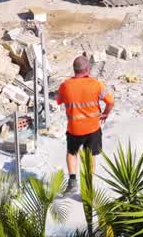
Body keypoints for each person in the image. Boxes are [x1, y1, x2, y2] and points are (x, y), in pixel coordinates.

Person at [56, 54, 114, 192]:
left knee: (72, 153)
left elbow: (58, 101)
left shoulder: (65, 85)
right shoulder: (96, 84)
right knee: (90, 155)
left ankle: (72, 182)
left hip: (74, 129)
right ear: (88, 69)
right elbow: (110, 101)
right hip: (93, 128)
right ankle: (88, 184)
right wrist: (106, 113)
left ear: (74, 70)